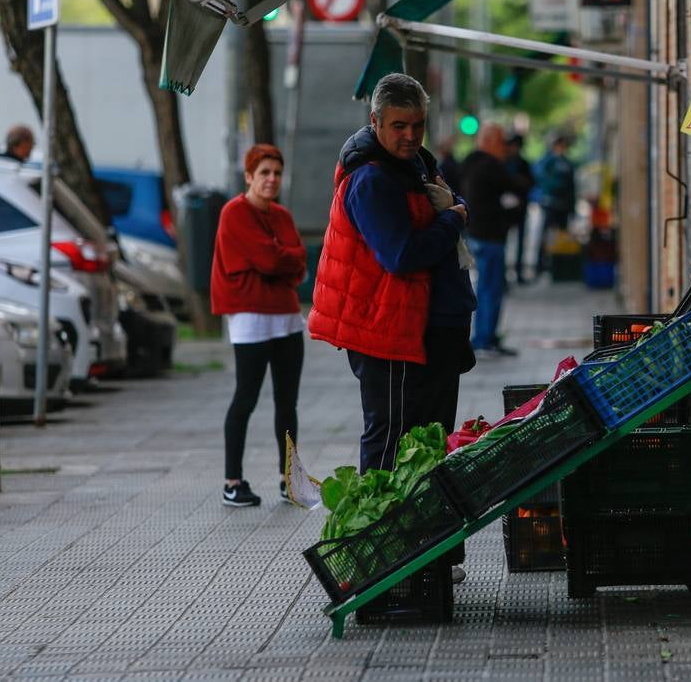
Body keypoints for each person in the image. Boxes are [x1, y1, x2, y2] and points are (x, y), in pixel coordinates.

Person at [308, 74, 476, 475]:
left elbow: (451, 199)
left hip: (426, 330)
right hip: (390, 335)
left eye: (418, 125)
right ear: (376, 121)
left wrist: (453, 209)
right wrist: (452, 220)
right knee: (393, 447)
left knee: (430, 447)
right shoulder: (371, 179)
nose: (410, 135)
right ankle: (383, 535)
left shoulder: (413, 163)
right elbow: (401, 255)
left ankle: (431, 535)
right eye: (399, 126)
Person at [210, 144, 307, 508]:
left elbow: (298, 263)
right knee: (245, 398)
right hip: (250, 318)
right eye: (264, 172)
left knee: (287, 402)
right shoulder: (234, 213)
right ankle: (233, 482)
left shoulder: (282, 216)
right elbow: (270, 260)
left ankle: (288, 479)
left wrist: (283, 257)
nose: (271, 179)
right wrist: (282, 256)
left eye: (277, 173)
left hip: (285, 317)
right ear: (249, 176)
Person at [458, 123, 532, 357]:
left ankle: (484, 337)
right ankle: (485, 339)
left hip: (477, 233)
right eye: (501, 142)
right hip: (490, 236)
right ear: (488, 141)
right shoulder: (490, 165)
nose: (506, 148)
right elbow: (518, 186)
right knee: (491, 288)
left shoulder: (469, 163)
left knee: (486, 286)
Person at [533, 133, 577, 275]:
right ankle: (541, 264)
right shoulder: (548, 161)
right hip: (550, 202)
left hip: (563, 204)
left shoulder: (567, 163)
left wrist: (572, 205)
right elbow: (542, 180)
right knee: (546, 234)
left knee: (561, 236)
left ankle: (558, 263)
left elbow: (571, 186)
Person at [503, 131, 535, 284]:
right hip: (506, 209)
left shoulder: (522, 163)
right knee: (504, 241)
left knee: (521, 241)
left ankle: (518, 270)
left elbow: (531, 182)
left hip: (520, 207)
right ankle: (505, 273)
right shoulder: (504, 162)